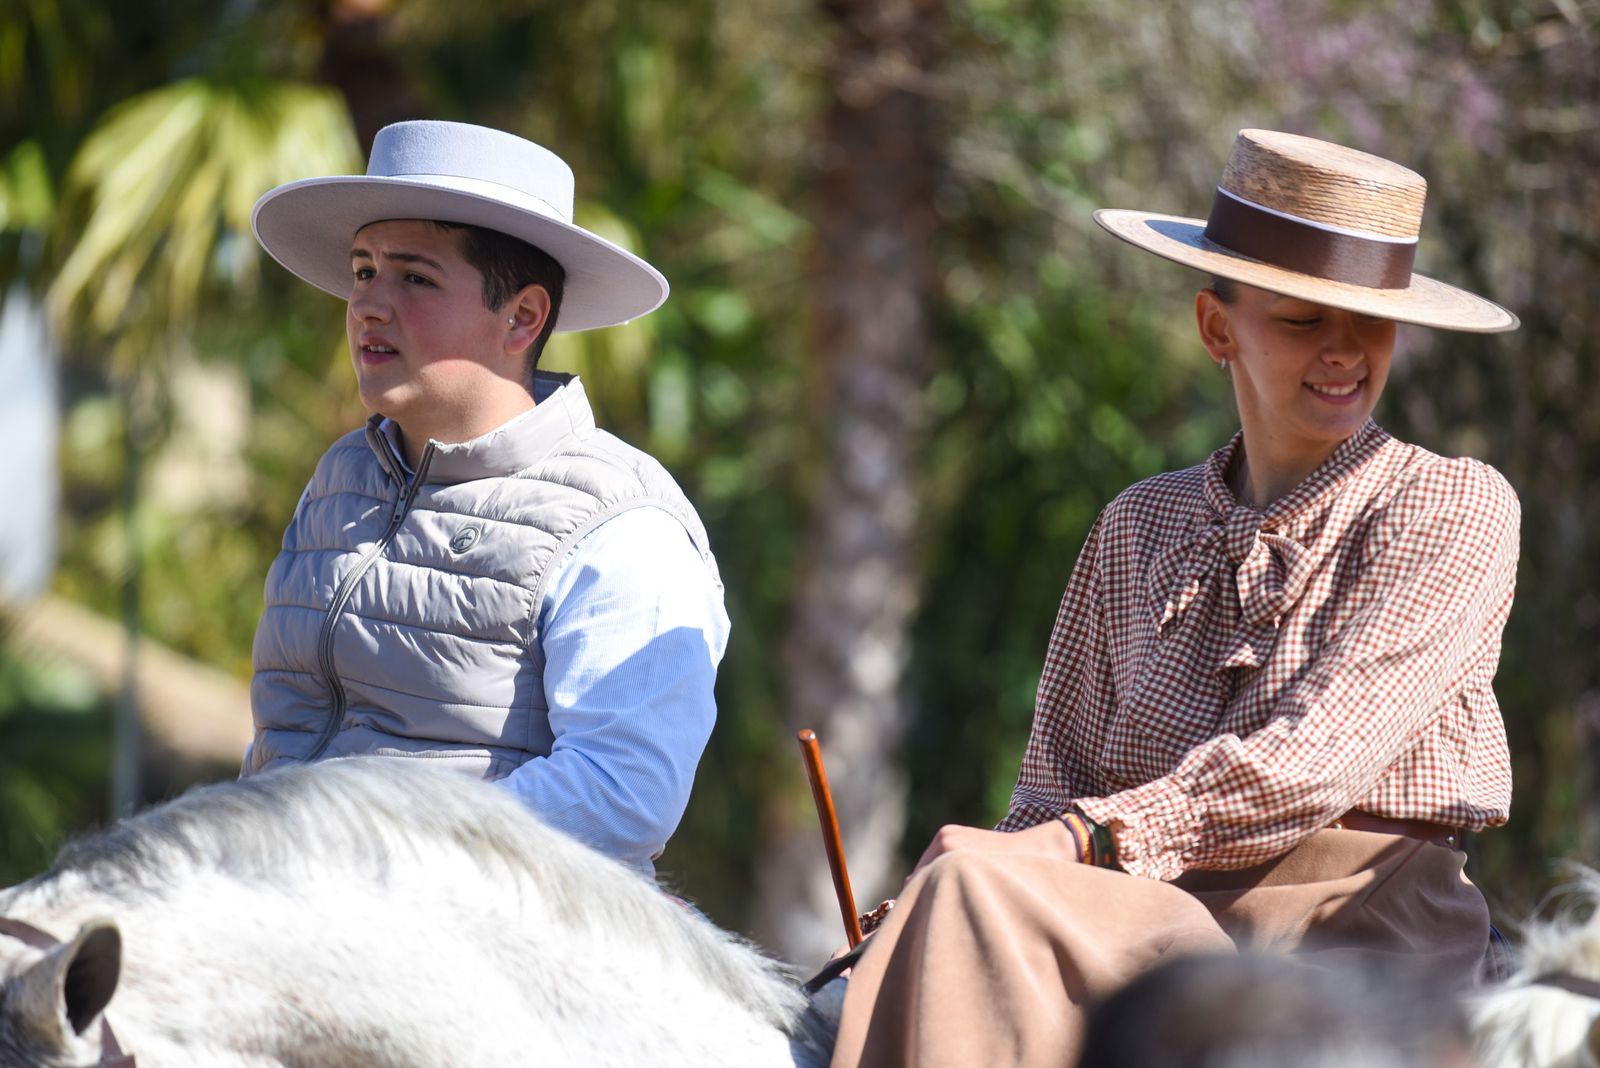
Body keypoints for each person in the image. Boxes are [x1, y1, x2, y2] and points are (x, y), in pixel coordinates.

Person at [826, 129, 1521, 1067]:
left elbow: (1314, 760)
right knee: (952, 900)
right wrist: (970, 879)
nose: (1346, 352)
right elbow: (1052, 784)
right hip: (1133, 919)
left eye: (1372, 322)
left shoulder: (1451, 503)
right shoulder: (1137, 524)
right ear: (1215, 327)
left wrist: (1078, 841)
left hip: (1361, 938)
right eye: (1303, 319)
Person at [243, 120, 729, 877]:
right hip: (279, 902)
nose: (368, 303)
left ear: (523, 317)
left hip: (482, 952)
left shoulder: (623, 525)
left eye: (415, 278)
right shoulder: (342, 476)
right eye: (364, 270)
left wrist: (371, 858)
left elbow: (622, 791)